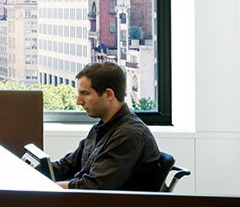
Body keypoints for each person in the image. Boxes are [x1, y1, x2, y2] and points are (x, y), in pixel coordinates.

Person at [52, 61, 161, 190]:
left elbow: (94, 188)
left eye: (85, 93)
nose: (78, 101)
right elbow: (65, 167)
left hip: (109, 203)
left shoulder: (130, 135)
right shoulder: (100, 128)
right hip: (91, 201)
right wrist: (35, 170)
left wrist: (49, 187)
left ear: (109, 94)